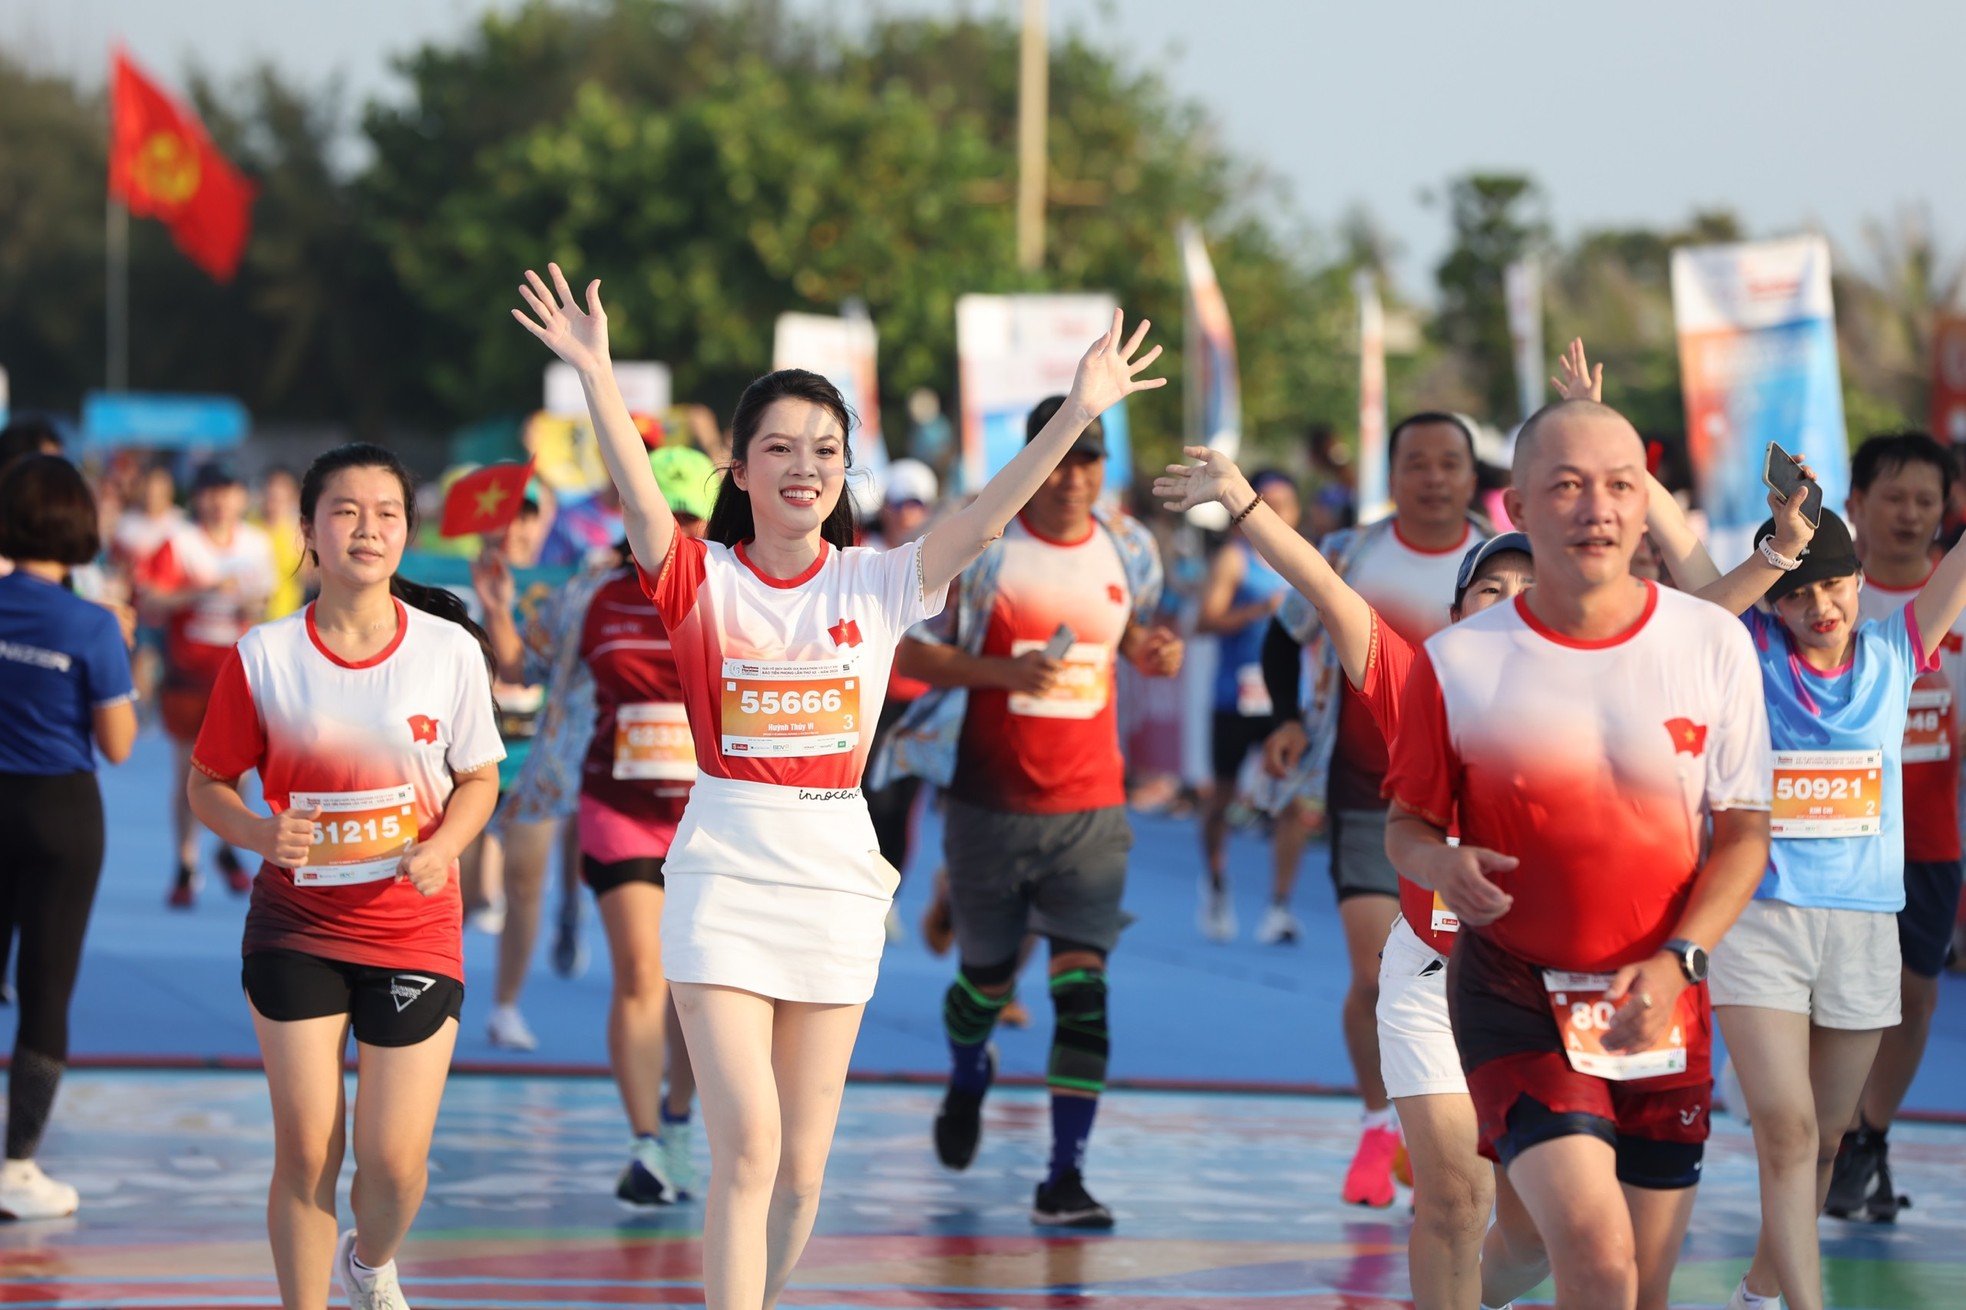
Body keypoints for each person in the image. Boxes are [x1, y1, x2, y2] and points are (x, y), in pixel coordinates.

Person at [512, 261, 1161, 1310]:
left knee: (804, 1169)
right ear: (739, 466)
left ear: (845, 467)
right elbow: (638, 499)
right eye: (778, 447)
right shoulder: (697, 580)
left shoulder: (880, 579)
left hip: (834, 875)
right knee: (749, 1147)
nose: (802, 466)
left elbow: (986, 518)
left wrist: (1076, 412)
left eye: (824, 449)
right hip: (723, 866)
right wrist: (591, 368)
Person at [1383, 398, 1772, 1310]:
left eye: (1618, 486)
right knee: (1597, 1260)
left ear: (1647, 505)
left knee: (1641, 1286)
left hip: (1660, 1001)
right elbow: (1404, 824)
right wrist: (1440, 865)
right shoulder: (1459, 663)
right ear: (1516, 505)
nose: (1595, 507)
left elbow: (1747, 836)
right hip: (1513, 995)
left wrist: (1679, 962)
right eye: (1565, 486)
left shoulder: (1712, 643)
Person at [1158, 445, 1549, 1310]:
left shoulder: (1597, 694)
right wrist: (1240, 500)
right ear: (1456, 613)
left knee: (1536, 1234)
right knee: (1454, 1198)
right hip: (1434, 979)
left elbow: (1700, 615)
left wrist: (1777, 558)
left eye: (1530, 592)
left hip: (1544, 990)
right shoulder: (1416, 684)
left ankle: (1484, 1291)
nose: (1509, 606)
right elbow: (1331, 595)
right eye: (1490, 591)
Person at [186, 443, 503, 1310]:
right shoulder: (264, 656)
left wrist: (444, 848)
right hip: (296, 930)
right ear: (308, 533)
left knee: (394, 1166)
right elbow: (206, 783)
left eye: (387, 513)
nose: (368, 528)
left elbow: (480, 778)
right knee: (308, 1149)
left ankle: (370, 1262)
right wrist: (258, 830)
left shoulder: (447, 651)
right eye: (347, 511)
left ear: (407, 532)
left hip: (413, 929)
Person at [877, 397, 1180, 1228]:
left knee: (1084, 991)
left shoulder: (1130, 545)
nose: (1075, 477)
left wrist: (1152, 650)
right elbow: (903, 648)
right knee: (984, 982)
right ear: (1034, 457)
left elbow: (1135, 632)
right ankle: (968, 1071)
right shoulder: (980, 543)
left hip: (1092, 811)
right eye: (1062, 458)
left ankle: (1064, 1175)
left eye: (1092, 460)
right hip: (988, 804)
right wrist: (998, 677)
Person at [476, 444, 715, 1197]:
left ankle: (678, 1123)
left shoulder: (735, 587)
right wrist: (495, 610)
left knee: (695, 985)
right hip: (617, 804)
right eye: (658, 514)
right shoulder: (592, 592)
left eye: (686, 516)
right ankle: (647, 1142)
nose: (671, 529)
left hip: (711, 818)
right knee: (642, 972)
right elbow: (523, 668)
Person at [1263, 411, 1485, 1207]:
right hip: (1367, 792)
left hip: (1474, 813)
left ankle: (1445, 1130)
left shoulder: (1503, 559)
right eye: (1416, 462)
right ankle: (1375, 1123)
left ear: (1472, 475)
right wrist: (1287, 716)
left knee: (1457, 978)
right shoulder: (1353, 553)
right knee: (1374, 972)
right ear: (1390, 475)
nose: (1433, 476)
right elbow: (1285, 633)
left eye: (1449, 463)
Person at [1827, 431, 1966, 1223]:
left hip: (1929, 844)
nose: (1911, 514)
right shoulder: (1825, 598)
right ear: (1856, 504)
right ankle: (1827, 1135)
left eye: (1927, 500)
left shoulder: (1953, 598)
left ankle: (1868, 1138)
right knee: (1836, 1003)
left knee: (1914, 1000)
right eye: (1894, 497)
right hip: (1833, 843)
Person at [0, 455, 137, 1220]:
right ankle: (17, 1166)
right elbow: (118, 744)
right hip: (60, 815)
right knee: (46, 991)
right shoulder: (91, 624)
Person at [158, 463, 277, 908]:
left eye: (227, 493)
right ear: (198, 499)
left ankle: (228, 846)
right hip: (188, 673)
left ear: (239, 498)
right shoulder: (180, 544)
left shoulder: (257, 543)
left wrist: (249, 601)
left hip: (240, 670)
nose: (218, 502)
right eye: (210, 494)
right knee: (187, 772)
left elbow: (265, 599)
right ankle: (185, 862)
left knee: (240, 771)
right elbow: (152, 597)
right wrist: (202, 591)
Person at [1193, 469, 1296, 943]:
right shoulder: (1235, 560)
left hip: (1282, 700)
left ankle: (1278, 906)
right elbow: (1205, 621)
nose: (1278, 511)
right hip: (1234, 696)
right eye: (1267, 500)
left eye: (1286, 503)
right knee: (1222, 799)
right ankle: (1215, 886)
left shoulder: (1302, 557)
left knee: (1294, 802)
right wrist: (1258, 611)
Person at [860, 457, 940, 939]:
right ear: (885, 509)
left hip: (919, 699)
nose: (908, 514)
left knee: (902, 805)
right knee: (870, 797)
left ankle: (889, 894)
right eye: (899, 504)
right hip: (870, 699)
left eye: (917, 505)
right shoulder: (862, 552)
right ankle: (863, 891)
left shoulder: (939, 555)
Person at [259, 466, 308, 621]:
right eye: (271, 495)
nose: (273, 502)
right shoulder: (248, 527)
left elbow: (309, 574)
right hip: (249, 619)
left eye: (279, 498)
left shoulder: (300, 531)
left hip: (286, 616)